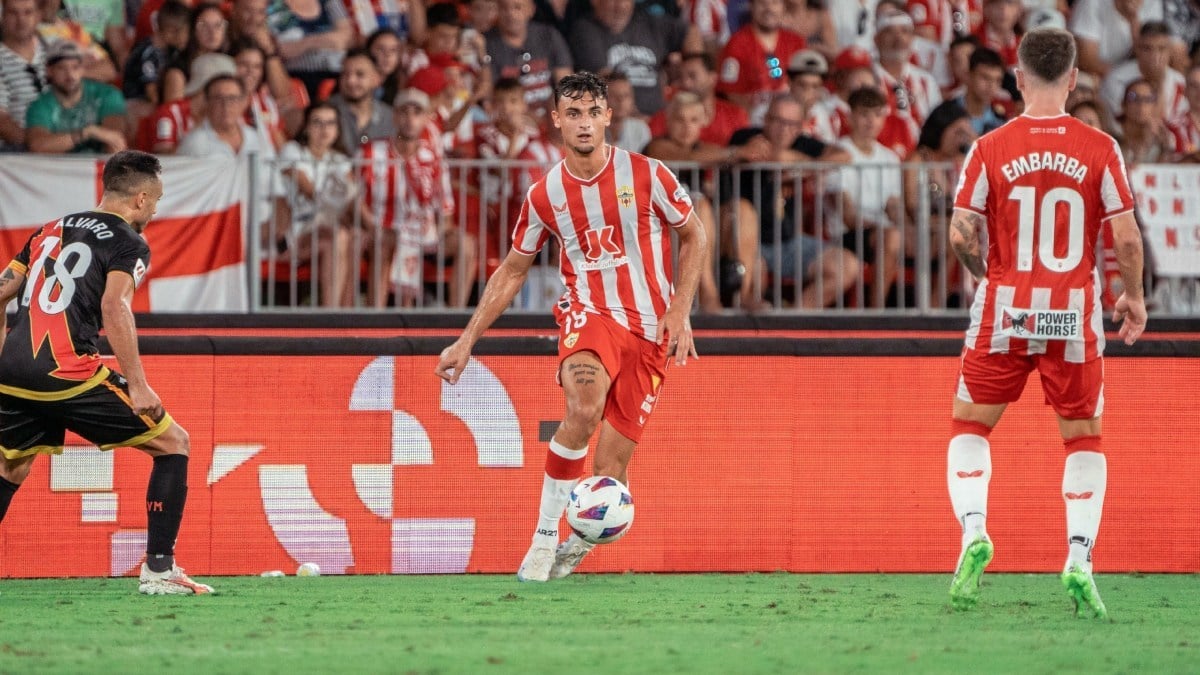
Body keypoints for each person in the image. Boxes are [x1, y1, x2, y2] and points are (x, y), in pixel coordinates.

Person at [434, 71, 707, 582]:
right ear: (557, 121)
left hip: (651, 331)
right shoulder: (544, 195)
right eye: (573, 114)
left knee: (610, 473)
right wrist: (466, 339)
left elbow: (694, 236)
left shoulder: (649, 174)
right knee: (583, 409)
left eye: (592, 113)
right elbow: (513, 269)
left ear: (608, 116)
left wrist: (681, 309)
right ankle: (541, 538)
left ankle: (575, 545)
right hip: (590, 315)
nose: (584, 123)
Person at [945, 26, 1146, 618]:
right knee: (1083, 436)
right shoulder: (1100, 147)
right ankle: (1080, 557)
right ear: (1075, 79)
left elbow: (959, 230)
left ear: (1018, 76)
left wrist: (985, 277)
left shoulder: (988, 147)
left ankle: (974, 532)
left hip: (1006, 308)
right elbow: (1128, 240)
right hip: (1073, 312)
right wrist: (1132, 297)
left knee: (970, 427)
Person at [0, 150, 214, 596]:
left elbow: (2, 291)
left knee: (10, 466)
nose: (156, 210)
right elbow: (114, 306)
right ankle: (159, 571)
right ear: (139, 199)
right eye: (155, 201)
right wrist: (137, 384)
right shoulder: (129, 243)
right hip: (67, 372)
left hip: (12, 372)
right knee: (174, 443)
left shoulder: (48, 229)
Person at [24, 40, 127, 154]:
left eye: (75, 67)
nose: (70, 75)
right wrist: (86, 133)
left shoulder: (107, 94)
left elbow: (116, 141)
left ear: (83, 69)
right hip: (60, 169)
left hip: (99, 168)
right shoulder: (39, 105)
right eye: (61, 68)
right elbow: (38, 146)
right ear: (49, 71)